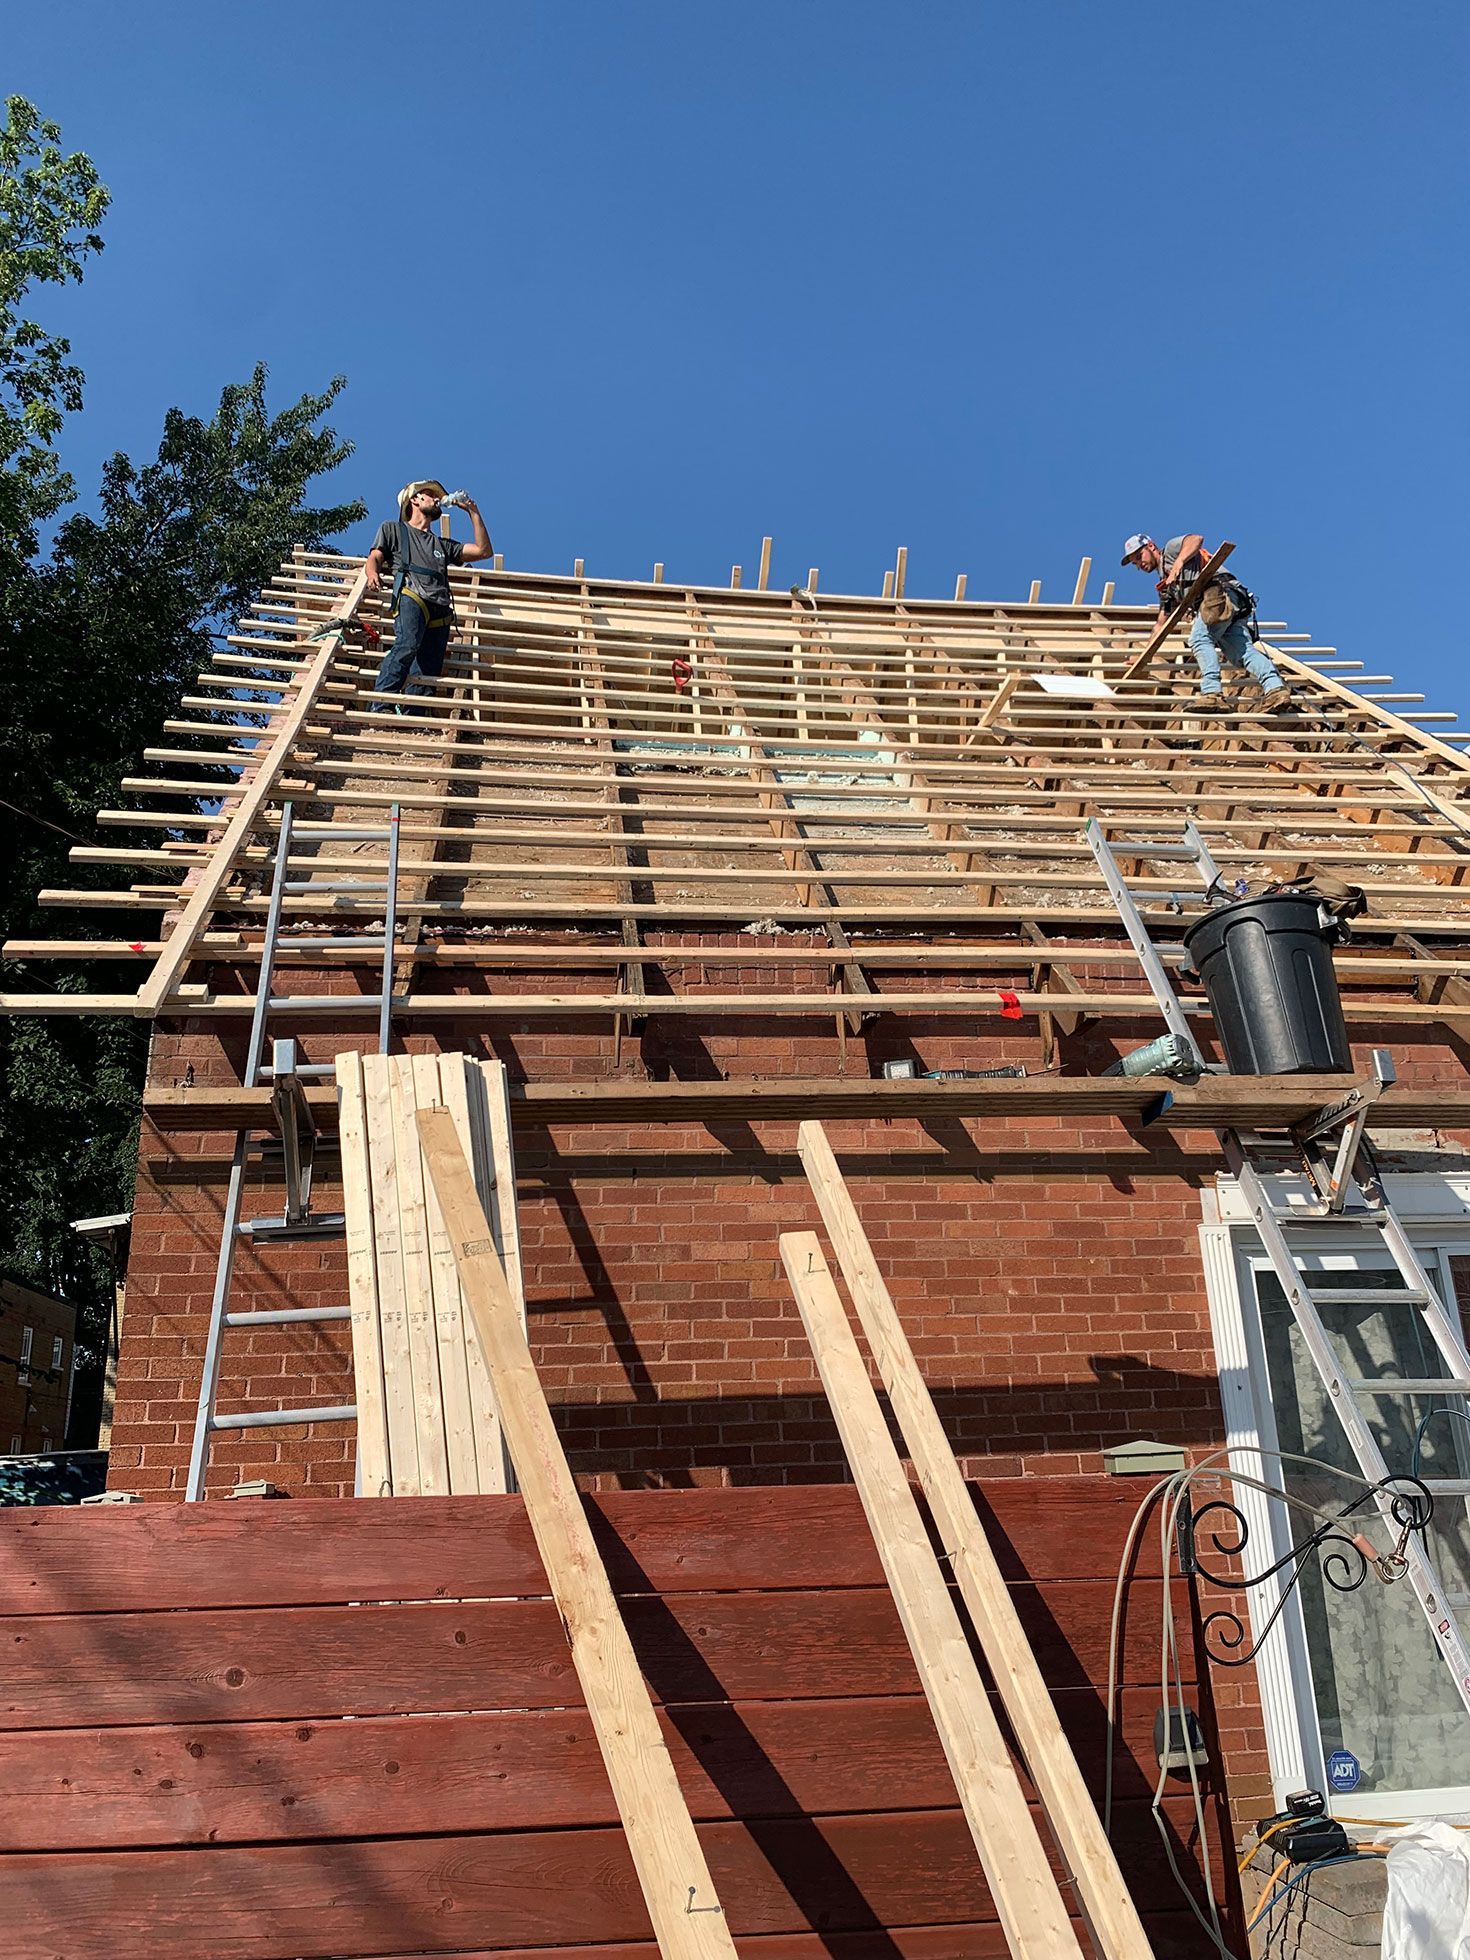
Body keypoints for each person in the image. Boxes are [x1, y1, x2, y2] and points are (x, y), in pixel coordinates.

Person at [1120, 532, 1289, 712]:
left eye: (1139, 556)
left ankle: (1211, 693)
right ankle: (1276, 689)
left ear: (1151, 546)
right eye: (1135, 563)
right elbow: (1161, 625)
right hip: (1227, 604)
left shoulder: (1171, 550)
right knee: (1241, 653)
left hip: (1219, 593)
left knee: (1199, 639)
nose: (1139, 564)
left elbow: (1196, 539)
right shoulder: (1167, 587)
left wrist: (1179, 561)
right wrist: (1143, 656)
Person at [363, 481, 493, 706]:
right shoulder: (394, 529)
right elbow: (375, 556)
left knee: (429, 667)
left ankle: (415, 718)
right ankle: (381, 705)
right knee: (407, 644)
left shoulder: (442, 545)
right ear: (415, 500)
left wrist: (473, 512)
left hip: (440, 607)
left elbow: (483, 551)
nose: (436, 498)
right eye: (429, 494)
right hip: (412, 594)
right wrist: (372, 573)